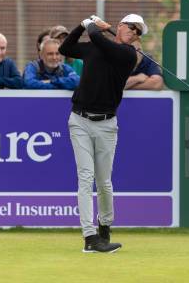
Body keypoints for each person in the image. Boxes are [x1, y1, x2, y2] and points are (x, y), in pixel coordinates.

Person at [59, 13, 146, 253]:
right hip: (79, 120)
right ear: (119, 27)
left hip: (107, 125)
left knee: (104, 182)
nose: (135, 34)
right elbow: (65, 47)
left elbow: (99, 39)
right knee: (85, 178)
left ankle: (105, 227)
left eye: (138, 33)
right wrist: (80, 25)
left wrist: (93, 25)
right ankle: (90, 237)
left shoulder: (128, 55)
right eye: (132, 29)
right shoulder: (94, 48)